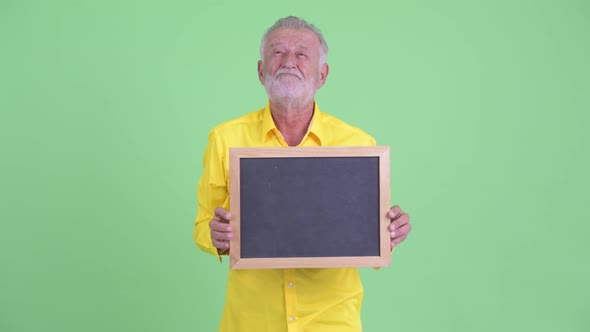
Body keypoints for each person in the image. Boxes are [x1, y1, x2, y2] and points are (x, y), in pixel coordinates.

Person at [194, 16, 412, 331]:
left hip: (332, 320)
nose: (288, 62)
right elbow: (203, 225)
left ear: (321, 74)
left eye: (301, 54)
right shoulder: (225, 139)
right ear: (260, 70)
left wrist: (389, 233)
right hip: (253, 321)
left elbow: (367, 234)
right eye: (278, 52)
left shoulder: (358, 145)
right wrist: (215, 237)